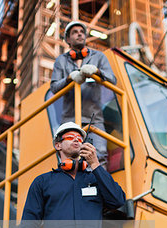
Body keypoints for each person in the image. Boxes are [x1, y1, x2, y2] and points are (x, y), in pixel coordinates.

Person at [50, 21, 117, 168]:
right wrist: (69, 78)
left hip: (94, 119)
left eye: (81, 31)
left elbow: (113, 80)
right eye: (74, 32)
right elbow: (54, 87)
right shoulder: (61, 61)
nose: (79, 33)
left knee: (99, 156)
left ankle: (100, 189)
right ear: (67, 39)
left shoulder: (98, 57)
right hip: (70, 119)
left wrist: (97, 72)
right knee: (67, 160)